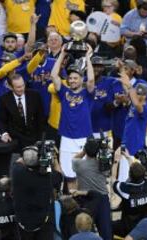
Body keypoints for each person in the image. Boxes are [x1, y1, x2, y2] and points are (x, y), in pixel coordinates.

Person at [51, 44, 95, 189]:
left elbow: (91, 81)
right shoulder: (64, 92)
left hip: (82, 137)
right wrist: (62, 53)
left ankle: (82, 204)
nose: (72, 80)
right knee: (68, 175)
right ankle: (72, 204)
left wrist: (88, 57)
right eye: (70, 78)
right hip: (67, 138)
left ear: (81, 79)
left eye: (76, 78)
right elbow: (53, 76)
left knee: (82, 176)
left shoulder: (87, 94)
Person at [12, 145, 63, 239]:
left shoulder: (16, 172)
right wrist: (54, 158)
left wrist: (31, 155)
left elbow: (19, 161)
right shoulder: (48, 177)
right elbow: (60, 175)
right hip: (44, 222)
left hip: (23, 222)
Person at [111, 147, 147, 238]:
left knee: (108, 225)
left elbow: (113, 179)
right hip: (145, 227)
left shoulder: (125, 189)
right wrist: (129, 158)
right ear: (144, 174)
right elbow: (139, 175)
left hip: (128, 229)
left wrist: (116, 161)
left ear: (129, 175)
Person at [117, 62, 147, 181]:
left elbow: (137, 103)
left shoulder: (145, 110)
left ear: (146, 96)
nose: (138, 95)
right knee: (123, 181)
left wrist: (130, 87)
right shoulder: (133, 106)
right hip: (126, 147)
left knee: (131, 183)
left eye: (140, 94)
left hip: (135, 151)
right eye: (137, 93)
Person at [72, 138, 112, 239]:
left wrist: (84, 150)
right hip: (102, 200)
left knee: (84, 231)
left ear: (85, 150)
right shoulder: (104, 165)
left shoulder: (78, 164)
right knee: (106, 232)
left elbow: (75, 158)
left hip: (85, 200)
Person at [0, 74, 45, 152]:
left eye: (23, 85)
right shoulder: (4, 99)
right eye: (18, 87)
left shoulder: (35, 95)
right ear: (11, 87)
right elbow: (1, 120)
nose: (22, 88)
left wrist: (40, 139)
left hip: (33, 140)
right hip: (14, 141)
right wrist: (4, 133)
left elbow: (40, 119)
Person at [90, 56, 115, 138]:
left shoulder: (110, 82)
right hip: (85, 125)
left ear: (103, 68)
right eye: (93, 66)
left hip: (102, 125)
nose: (96, 69)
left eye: (99, 66)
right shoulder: (83, 81)